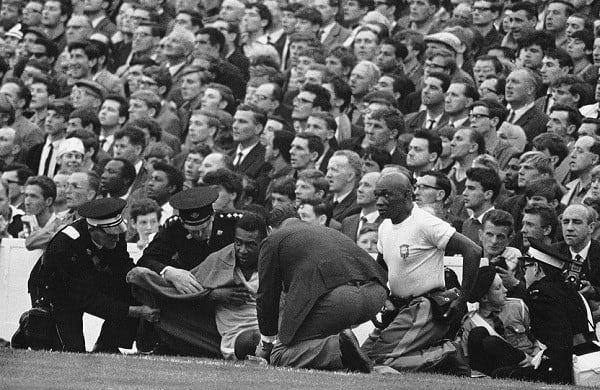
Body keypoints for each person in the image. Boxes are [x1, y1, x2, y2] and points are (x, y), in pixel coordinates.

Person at [361, 172, 481, 373]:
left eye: (387, 195)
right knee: (360, 358)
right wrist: (378, 300)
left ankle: (446, 353)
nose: (379, 202)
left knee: (374, 360)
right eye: (377, 195)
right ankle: (438, 357)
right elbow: (380, 270)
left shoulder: (425, 223)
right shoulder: (385, 227)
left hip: (425, 306)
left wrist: (462, 300)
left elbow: (474, 251)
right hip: (398, 307)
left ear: (407, 195)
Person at [20, 198, 159, 352]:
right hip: (56, 289)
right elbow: (85, 299)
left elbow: (121, 264)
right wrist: (136, 311)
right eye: (111, 234)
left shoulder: (114, 235)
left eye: (118, 232)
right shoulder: (66, 245)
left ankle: (106, 345)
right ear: (93, 230)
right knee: (70, 351)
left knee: (132, 290)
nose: (117, 238)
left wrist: (136, 275)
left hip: (89, 279)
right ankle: (29, 327)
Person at [256, 216, 388, 372]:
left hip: (341, 300)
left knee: (279, 354)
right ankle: (346, 357)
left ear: (270, 230)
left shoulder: (273, 240)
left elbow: (266, 296)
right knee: (318, 338)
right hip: (376, 295)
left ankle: (338, 349)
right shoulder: (328, 232)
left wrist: (266, 342)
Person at [129, 213, 267, 359]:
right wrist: (213, 296)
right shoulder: (219, 260)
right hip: (237, 337)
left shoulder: (274, 265)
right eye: (238, 243)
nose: (242, 250)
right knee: (253, 339)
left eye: (250, 245)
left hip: (270, 333)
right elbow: (188, 291)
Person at [521, 239, 600, 384]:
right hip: (590, 357)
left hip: (568, 367)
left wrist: (555, 375)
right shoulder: (569, 290)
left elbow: (559, 342)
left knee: (500, 372)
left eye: (525, 268)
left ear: (537, 268)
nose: (524, 274)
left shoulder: (540, 294)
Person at [459, 266, 543, 378]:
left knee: (491, 343)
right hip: (494, 366)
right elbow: (467, 357)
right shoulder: (471, 322)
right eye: (498, 288)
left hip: (526, 362)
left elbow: (538, 338)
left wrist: (536, 358)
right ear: (484, 298)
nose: (505, 290)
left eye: (503, 285)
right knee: (481, 336)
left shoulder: (518, 307)